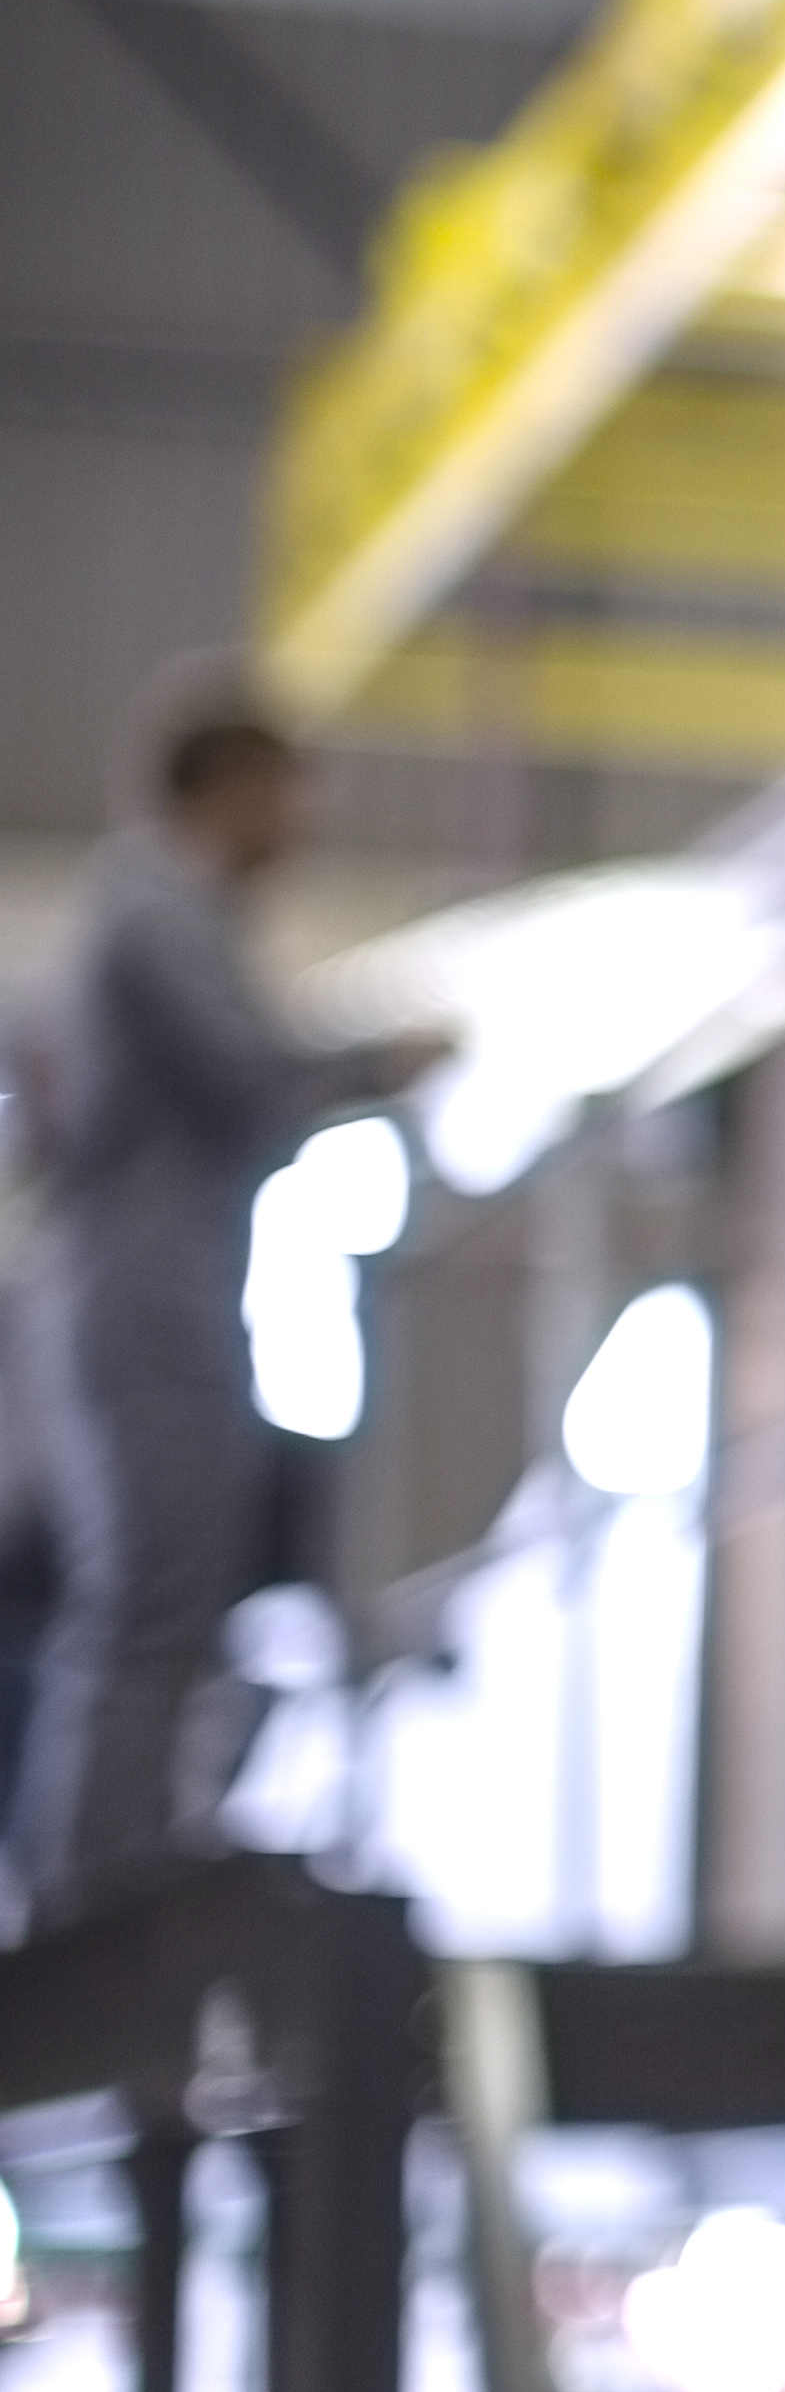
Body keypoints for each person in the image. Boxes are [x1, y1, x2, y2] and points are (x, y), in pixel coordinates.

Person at [12, 662, 428, 1925]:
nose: (301, 828)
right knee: (150, 1615)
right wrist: (384, 1058)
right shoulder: (157, 911)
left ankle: (106, 1900)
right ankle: (96, 1920)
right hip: (140, 1302)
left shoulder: (139, 915)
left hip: (141, 1292)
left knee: (159, 1615)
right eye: (288, 797)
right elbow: (248, 1078)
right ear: (232, 787)